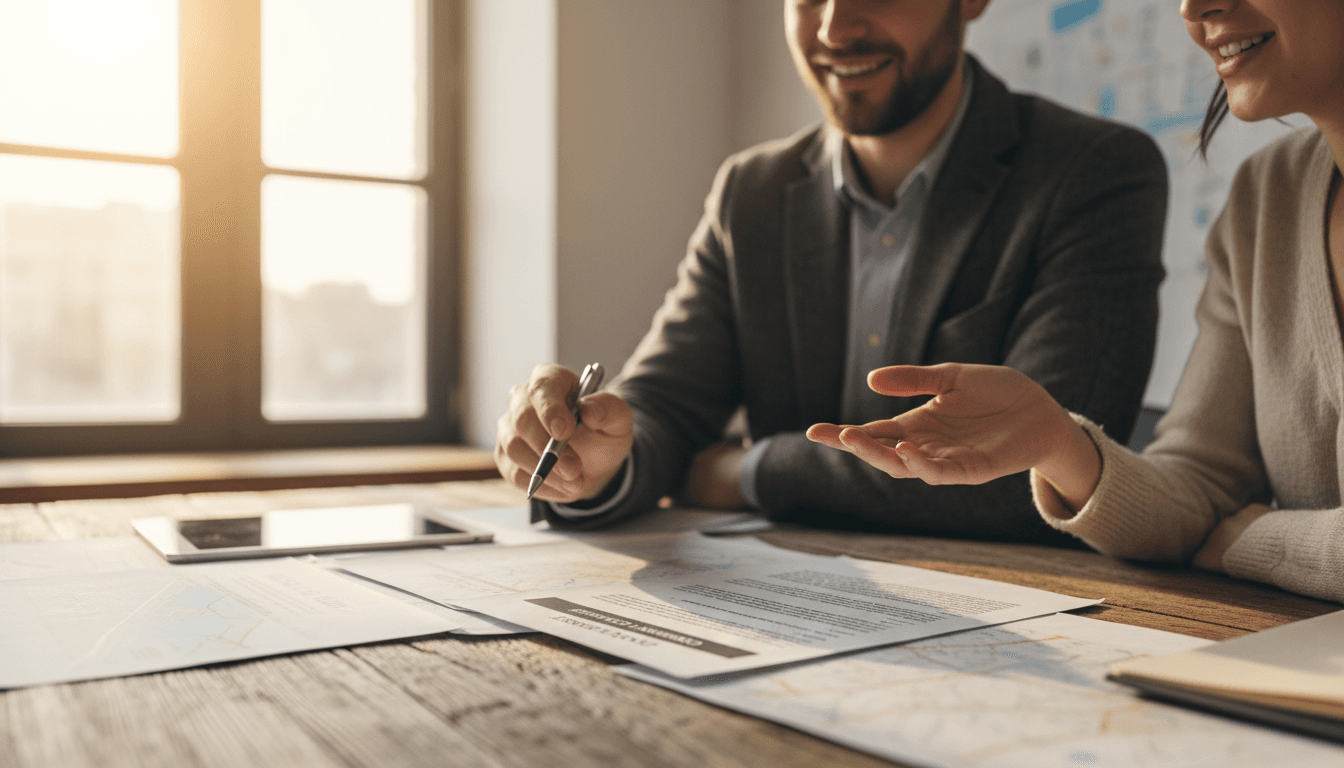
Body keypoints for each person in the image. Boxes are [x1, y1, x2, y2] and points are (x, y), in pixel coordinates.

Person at [495, 0, 1168, 538]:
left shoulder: (1094, 172)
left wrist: (753, 470)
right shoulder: (751, 191)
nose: (835, 27)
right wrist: (596, 459)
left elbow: (1048, 469)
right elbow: (664, 403)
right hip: (787, 614)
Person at [808, 0, 1344, 603]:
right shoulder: (1267, 197)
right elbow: (1201, 497)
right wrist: (1059, 444)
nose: (1195, 8)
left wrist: (1252, 541)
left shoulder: (1092, 168)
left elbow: (1221, 530)